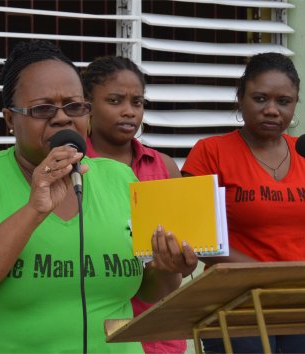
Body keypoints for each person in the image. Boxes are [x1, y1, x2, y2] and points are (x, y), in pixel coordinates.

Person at [0, 40, 197, 353]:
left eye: (74, 106)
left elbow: (151, 291)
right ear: (10, 119)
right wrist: (34, 209)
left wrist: (168, 267)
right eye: (43, 109)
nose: (62, 118)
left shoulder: (120, 178)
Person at [181, 52, 305, 353]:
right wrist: (266, 280)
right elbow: (197, 236)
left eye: (284, 101)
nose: (272, 110)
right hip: (235, 305)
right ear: (240, 98)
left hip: (299, 308)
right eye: (260, 99)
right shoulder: (209, 152)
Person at [81, 55, 187, 354]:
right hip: (96, 328)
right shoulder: (74, 165)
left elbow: (179, 241)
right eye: (115, 101)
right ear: (87, 104)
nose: (129, 112)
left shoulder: (163, 166)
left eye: (137, 102)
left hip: (159, 328)